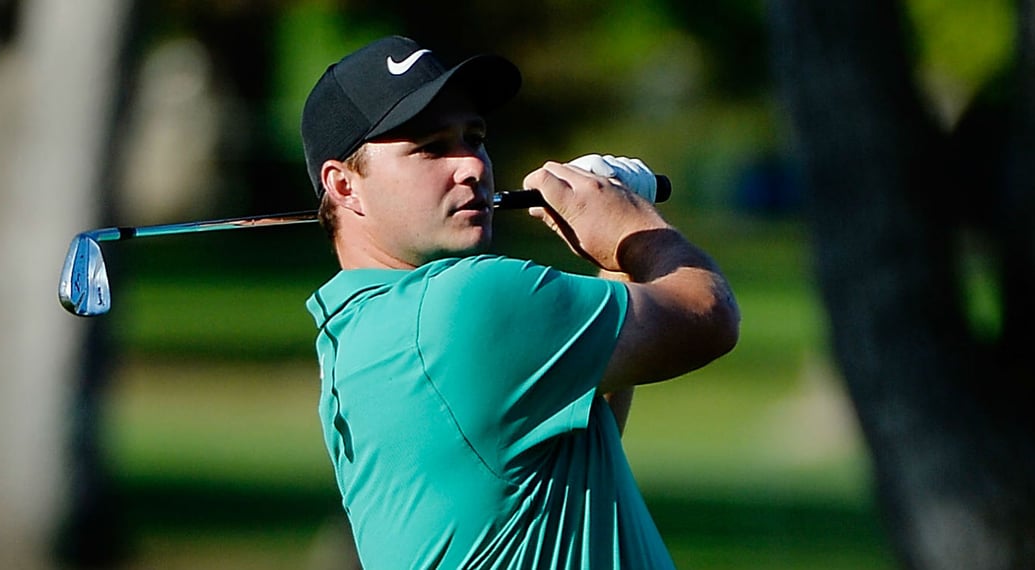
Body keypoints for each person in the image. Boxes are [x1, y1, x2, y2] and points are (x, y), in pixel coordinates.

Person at [300, 36, 739, 569]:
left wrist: (613, 251)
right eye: (432, 148)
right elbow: (706, 316)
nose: (472, 167)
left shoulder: (356, 328)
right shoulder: (466, 304)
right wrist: (630, 221)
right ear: (343, 186)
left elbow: (574, 437)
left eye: (474, 137)